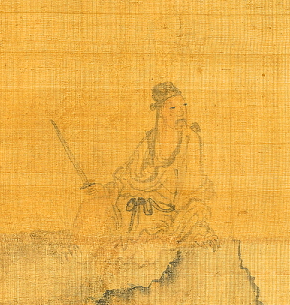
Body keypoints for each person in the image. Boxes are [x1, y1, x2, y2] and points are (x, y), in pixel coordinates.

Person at [73, 83, 217, 246]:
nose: (181, 112)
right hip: (133, 208)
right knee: (92, 206)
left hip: (165, 214)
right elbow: (126, 177)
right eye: (173, 108)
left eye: (183, 106)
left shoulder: (190, 140)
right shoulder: (150, 140)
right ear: (161, 111)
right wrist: (104, 190)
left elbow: (192, 186)